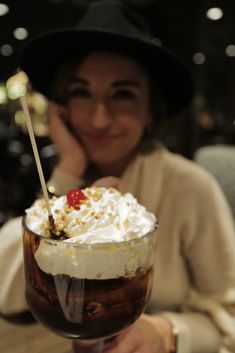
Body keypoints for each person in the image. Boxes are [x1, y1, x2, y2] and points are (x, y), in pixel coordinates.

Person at [1, 1, 235, 352]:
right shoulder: (62, 179)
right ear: (62, 107)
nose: (98, 118)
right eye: (81, 92)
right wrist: (69, 168)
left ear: (151, 110)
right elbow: (9, 292)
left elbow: (229, 313)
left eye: (122, 94)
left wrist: (167, 333)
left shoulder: (189, 187)